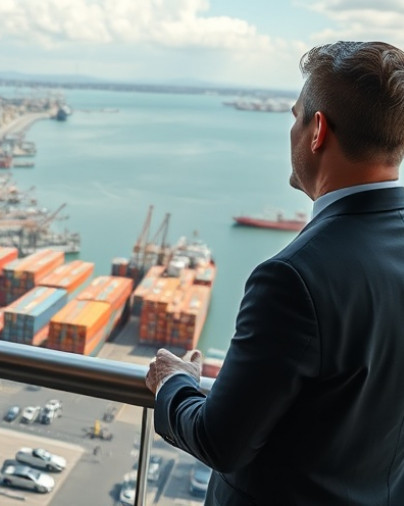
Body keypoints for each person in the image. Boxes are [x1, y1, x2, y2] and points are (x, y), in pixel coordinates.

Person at [146, 41, 404, 504]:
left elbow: (220, 441)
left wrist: (173, 382)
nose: (292, 130)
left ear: (317, 130)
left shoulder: (293, 278)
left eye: (295, 116)